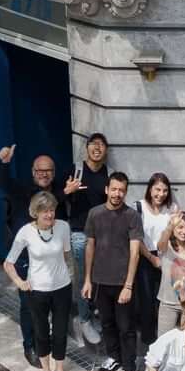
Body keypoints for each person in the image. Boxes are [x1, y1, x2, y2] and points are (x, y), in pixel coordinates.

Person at [0, 143, 67, 368]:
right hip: (26, 261)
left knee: (53, 308)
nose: (44, 174)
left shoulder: (57, 195)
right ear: (33, 172)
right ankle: (30, 345)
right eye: (40, 170)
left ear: (53, 173)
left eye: (48, 171)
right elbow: (3, 182)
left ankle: (50, 348)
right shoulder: (22, 191)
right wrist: (4, 163)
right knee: (29, 305)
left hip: (51, 264)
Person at [3, 191, 76, 371]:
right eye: (45, 211)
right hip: (37, 292)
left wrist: (69, 275)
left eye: (52, 210)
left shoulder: (63, 227)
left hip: (62, 288)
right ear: (35, 213)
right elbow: (8, 263)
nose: (50, 215)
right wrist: (20, 282)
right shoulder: (26, 232)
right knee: (41, 333)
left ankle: (60, 370)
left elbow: (67, 254)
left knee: (60, 332)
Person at [82, 171, 144, 371]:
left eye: (122, 190)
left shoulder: (131, 216)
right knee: (107, 323)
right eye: (114, 189)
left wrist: (128, 285)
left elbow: (135, 253)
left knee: (127, 327)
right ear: (107, 189)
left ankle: (130, 368)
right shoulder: (94, 214)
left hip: (122, 283)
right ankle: (114, 357)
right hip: (99, 281)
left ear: (126, 192)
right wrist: (87, 279)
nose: (118, 193)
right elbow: (90, 246)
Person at [63, 132, 110, 346]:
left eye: (101, 145)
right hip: (80, 233)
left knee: (98, 278)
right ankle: (83, 320)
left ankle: (92, 314)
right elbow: (58, 197)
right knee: (83, 278)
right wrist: (67, 191)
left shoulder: (107, 174)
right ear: (87, 148)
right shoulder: (76, 170)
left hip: (100, 235)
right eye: (93, 144)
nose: (97, 148)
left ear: (106, 150)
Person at [134, 173, 179, 352]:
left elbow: (177, 234)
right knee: (146, 301)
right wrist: (152, 258)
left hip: (167, 256)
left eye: (165, 190)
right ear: (150, 189)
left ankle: (165, 340)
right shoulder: (139, 207)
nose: (161, 194)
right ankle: (148, 343)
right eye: (157, 189)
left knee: (165, 301)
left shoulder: (173, 207)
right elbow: (136, 238)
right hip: (145, 255)